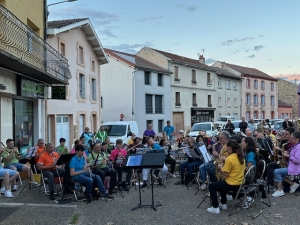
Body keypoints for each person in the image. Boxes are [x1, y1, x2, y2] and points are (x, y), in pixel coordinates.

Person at [207, 139, 245, 214]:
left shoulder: (230, 158)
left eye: (226, 147)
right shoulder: (240, 156)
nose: (225, 148)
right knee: (222, 183)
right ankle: (223, 203)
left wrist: (220, 167)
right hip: (240, 183)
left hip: (232, 184)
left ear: (229, 147)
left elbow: (225, 174)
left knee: (211, 186)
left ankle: (215, 207)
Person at [272, 131, 300, 197]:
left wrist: (288, 156)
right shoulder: (294, 146)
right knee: (279, 173)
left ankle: (280, 190)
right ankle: (293, 184)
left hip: (295, 168)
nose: (290, 139)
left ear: (297, 139)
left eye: (292, 138)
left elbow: (298, 160)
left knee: (276, 171)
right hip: (292, 166)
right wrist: (287, 153)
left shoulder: (298, 147)